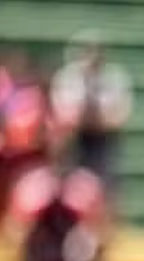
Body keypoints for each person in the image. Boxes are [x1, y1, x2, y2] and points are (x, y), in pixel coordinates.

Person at [50, 31, 131, 189]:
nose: (92, 56)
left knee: (104, 188)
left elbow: (119, 117)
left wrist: (92, 119)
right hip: (72, 142)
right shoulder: (67, 77)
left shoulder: (115, 77)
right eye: (87, 51)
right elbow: (63, 116)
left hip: (103, 142)